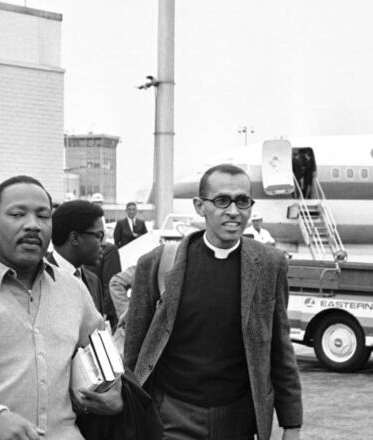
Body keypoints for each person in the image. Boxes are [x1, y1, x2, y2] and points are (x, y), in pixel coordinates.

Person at [0, 175, 123, 440]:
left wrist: (115, 395)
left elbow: (104, 356)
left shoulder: (73, 291)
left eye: (43, 216)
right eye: (17, 214)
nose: (33, 226)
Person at [124, 164, 302, 440]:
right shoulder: (157, 264)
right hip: (172, 416)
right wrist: (131, 413)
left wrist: (292, 423)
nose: (233, 211)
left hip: (239, 420)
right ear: (199, 206)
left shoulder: (270, 264)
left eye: (242, 201)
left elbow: (280, 349)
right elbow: (134, 349)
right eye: (221, 201)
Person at [48, 200, 118, 330]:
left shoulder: (93, 281)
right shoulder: (41, 277)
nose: (104, 244)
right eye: (99, 236)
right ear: (74, 238)